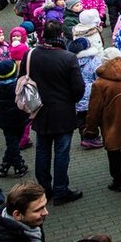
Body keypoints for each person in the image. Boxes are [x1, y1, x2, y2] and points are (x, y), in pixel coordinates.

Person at [27, 19, 86, 206]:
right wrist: (70, 100)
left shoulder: (31, 55)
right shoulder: (68, 58)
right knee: (61, 153)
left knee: (42, 150)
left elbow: (23, 79)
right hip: (63, 112)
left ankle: (44, 189)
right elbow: (78, 88)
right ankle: (61, 190)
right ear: (61, 35)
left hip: (39, 111)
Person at [85, 47, 121, 192]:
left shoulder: (100, 84)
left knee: (114, 153)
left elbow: (94, 109)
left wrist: (91, 129)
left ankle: (118, 182)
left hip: (111, 123)